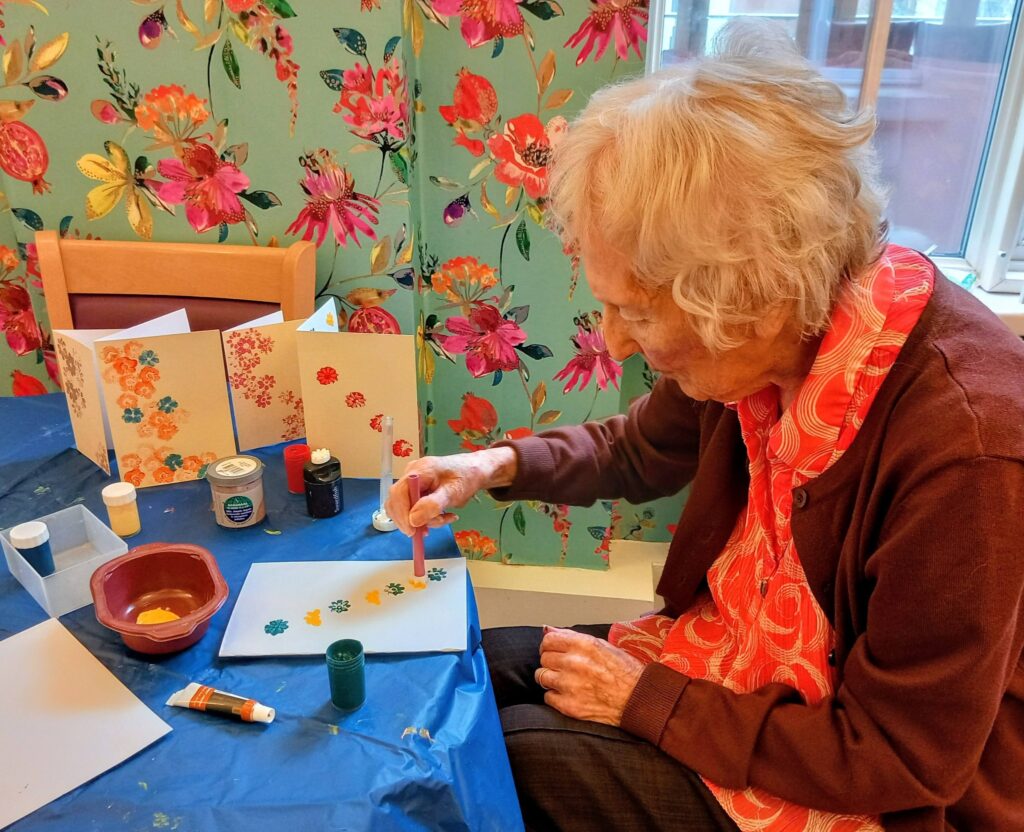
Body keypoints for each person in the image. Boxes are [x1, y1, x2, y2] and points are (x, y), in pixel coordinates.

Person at [386, 22, 1024, 832]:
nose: (614, 342)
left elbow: (907, 757)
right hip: (743, 663)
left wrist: (648, 700)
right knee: (462, 671)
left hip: (872, 785)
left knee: (510, 756)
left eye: (637, 312)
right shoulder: (776, 330)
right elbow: (640, 449)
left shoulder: (965, 451)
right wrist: (491, 464)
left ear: (751, 295)